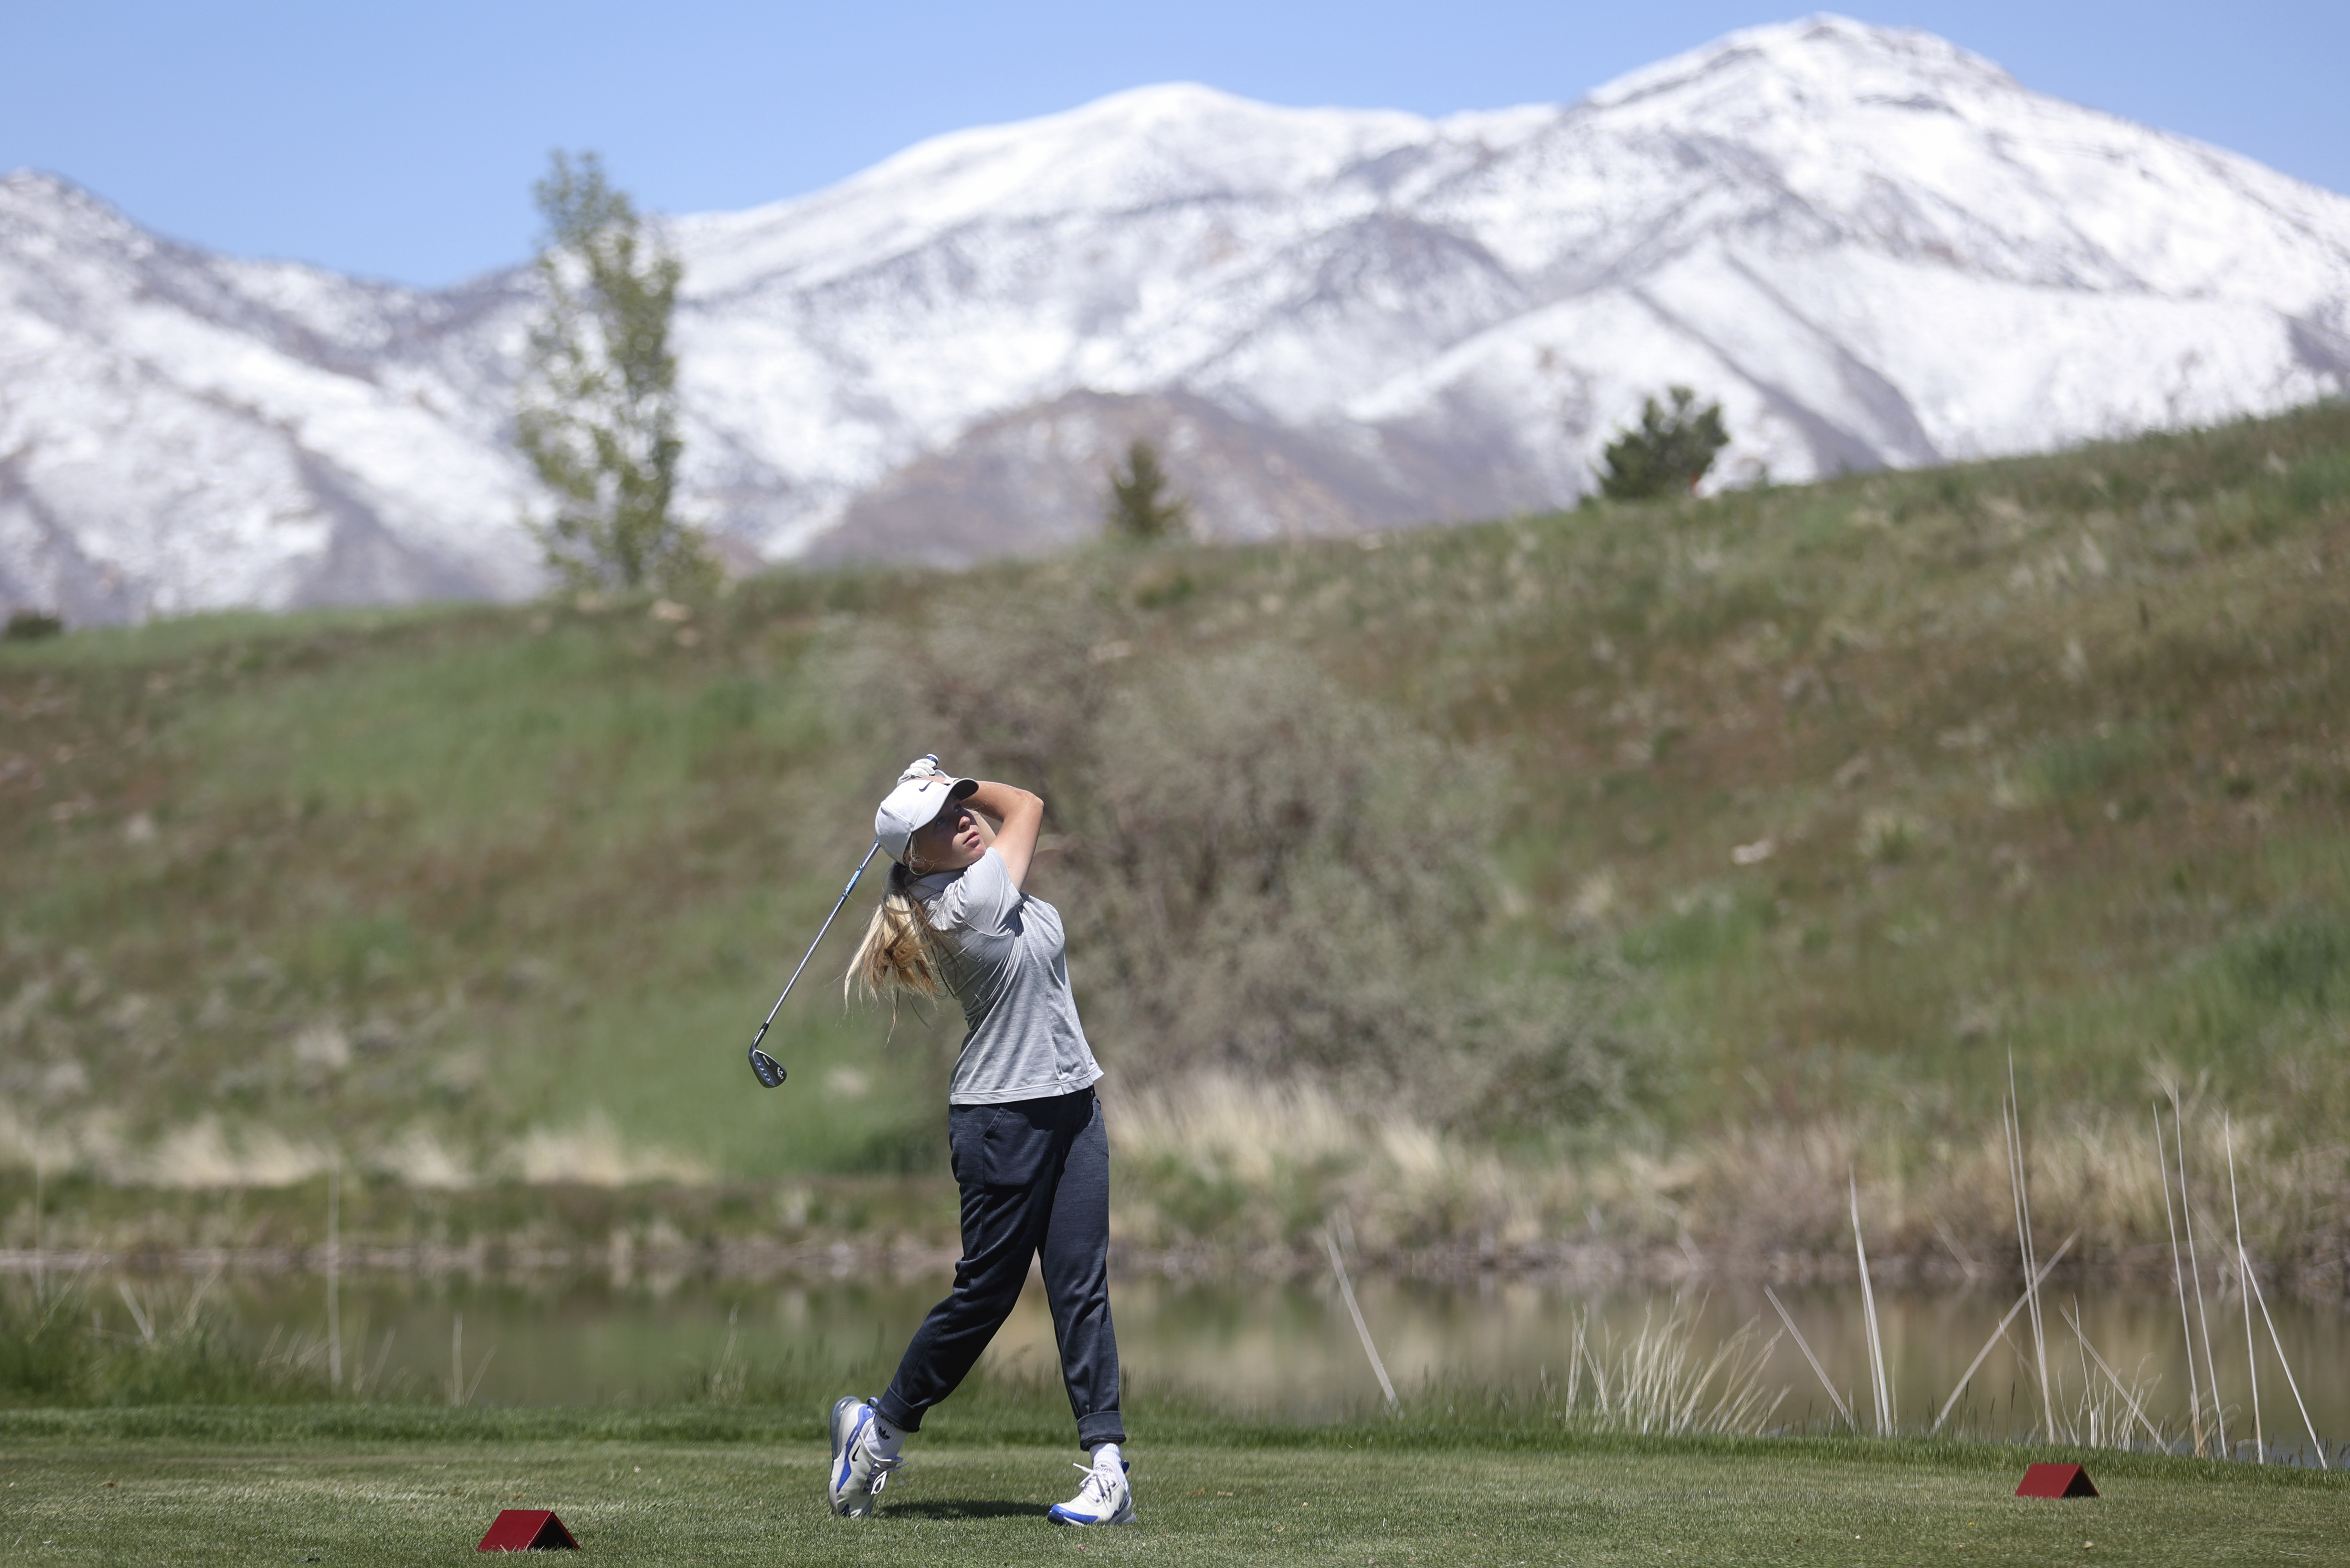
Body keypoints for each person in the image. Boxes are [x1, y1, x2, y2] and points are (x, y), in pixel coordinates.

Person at [824, 756, 1131, 1526]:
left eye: (960, 805)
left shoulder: (982, 883)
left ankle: (1107, 1471)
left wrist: (937, 789)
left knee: (1080, 1287)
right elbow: (1025, 800)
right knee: (985, 1296)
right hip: (1002, 1121)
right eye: (938, 820)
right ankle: (878, 1433)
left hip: (1072, 1108)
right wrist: (957, 772)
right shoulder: (966, 902)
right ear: (916, 857)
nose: (963, 816)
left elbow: (1004, 819)